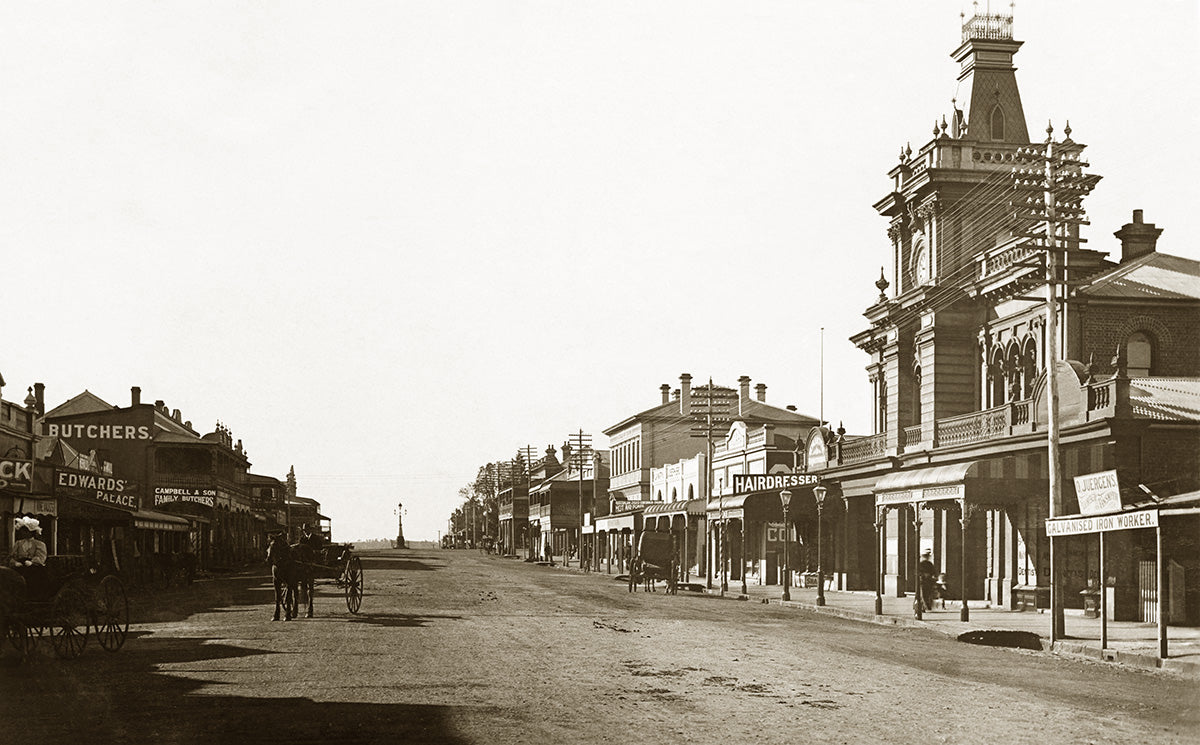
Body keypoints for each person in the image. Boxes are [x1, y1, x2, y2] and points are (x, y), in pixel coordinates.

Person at [10, 516, 48, 599]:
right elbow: (12, 556)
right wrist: (15, 562)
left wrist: (32, 562)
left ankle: (32, 597)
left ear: (32, 532)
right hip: (20, 565)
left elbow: (41, 557)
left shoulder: (39, 544)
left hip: (34, 567)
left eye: (26, 531)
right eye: (23, 531)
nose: (24, 533)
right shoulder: (18, 543)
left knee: (34, 577)